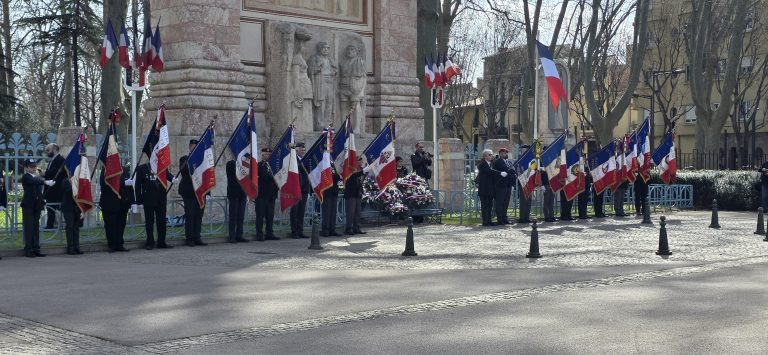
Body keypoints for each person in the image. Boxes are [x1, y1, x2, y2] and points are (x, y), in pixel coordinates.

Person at [135, 162, 175, 250]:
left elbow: (167, 174)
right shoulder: (142, 168)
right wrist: (139, 200)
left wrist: (173, 178)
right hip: (148, 199)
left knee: (162, 221)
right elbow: (138, 185)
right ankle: (150, 242)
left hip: (161, 198)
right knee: (149, 222)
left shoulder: (162, 166)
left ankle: (161, 242)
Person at [21, 159, 54, 257]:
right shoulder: (26, 177)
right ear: (26, 168)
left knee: (35, 227)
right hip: (28, 205)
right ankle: (28, 249)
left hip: (37, 205)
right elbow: (33, 181)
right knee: (29, 227)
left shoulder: (37, 177)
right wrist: (45, 182)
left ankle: (36, 248)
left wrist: (41, 201)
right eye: (31, 167)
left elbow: (39, 191)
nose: (34, 168)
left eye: (34, 166)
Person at [179, 139, 207, 247]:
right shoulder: (185, 159)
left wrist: (207, 193)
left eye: (196, 147)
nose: (195, 148)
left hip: (200, 191)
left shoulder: (202, 160)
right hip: (189, 192)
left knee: (199, 215)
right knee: (190, 215)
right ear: (190, 147)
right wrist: (193, 159)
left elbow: (206, 175)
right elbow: (184, 170)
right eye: (193, 146)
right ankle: (189, 238)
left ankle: (197, 237)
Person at [99, 166, 132, 252]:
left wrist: (131, 200)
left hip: (123, 202)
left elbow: (129, 187)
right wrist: (123, 183)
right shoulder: (105, 170)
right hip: (109, 202)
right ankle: (111, 245)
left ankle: (120, 244)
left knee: (121, 224)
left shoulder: (124, 170)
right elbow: (104, 184)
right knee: (110, 224)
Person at [477, 149, 507, 226]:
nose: (492, 156)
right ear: (485, 156)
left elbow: (492, 171)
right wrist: (500, 173)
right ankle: (485, 222)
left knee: (490, 205)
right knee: (485, 206)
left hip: (490, 189)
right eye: (490, 155)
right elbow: (490, 171)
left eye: (492, 154)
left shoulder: (490, 164)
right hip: (484, 189)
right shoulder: (482, 164)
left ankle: (489, 220)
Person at [256, 148, 279, 241]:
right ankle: (259, 234)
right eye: (266, 154)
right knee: (260, 216)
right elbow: (265, 176)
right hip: (262, 195)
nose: (268, 156)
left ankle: (269, 233)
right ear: (262, 155)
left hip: (271, 195)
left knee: (270, 216)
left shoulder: (274, 166)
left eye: (270, 154)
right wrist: (275, 176)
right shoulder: (259, 165)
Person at [226, 158, 249, 243]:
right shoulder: (230, 164)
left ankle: (239, 235)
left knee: (241, 216)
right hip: (233, 193)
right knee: (233, 216)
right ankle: (232, 236)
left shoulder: (244, 163)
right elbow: (237, 173)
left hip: (243, 193)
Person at [290, 142, 310, 239]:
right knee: (294, 211)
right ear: (296, 150)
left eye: (304, 150)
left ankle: (300, 230)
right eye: (301, 150)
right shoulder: (293, 160)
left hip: (304, 189)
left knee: (301, 211)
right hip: (295, 189)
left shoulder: (306, 160)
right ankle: (294, 231)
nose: (303, 152)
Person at [43, 143, 66, 229]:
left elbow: (57, 172)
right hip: (51, 189)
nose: (47, 152)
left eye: (48, 150)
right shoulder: (52, 160)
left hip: (57, 189)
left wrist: (45, 173)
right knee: (50, 207)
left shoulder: (60, 159)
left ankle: (65, 224)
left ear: (54, 149)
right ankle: (50, 225)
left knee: (56, 207)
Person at [344, 157, 367, 235]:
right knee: (350, 212)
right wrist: (365, 170)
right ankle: (349, 228)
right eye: (359, 161)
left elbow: (361, 178)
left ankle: (357, 228)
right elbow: (355, 175)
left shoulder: (360, 169)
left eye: (361, 161)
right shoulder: (350, 169)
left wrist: (365, 170)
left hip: (358, 193)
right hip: (351, 193)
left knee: (357, 212)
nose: (361, 163)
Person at [60, 177, 83, 255]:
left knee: (76, 228)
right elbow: (68, 191)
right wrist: (73, 182)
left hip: (77, 207)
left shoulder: (79, 181)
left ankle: (77, 246)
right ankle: (70, 247)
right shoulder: (65, 181)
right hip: (68, 208)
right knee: (70, 227)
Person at [492, 148, 515, 224]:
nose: (504, 154)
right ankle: (500, 219)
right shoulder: (498, 161)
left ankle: (505, 218)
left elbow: (512, 171)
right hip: (501, 185)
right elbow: (506, 169)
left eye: (505, 153)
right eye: (503, 153)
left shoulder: (508, 162)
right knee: (500, 203)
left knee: (506, 203)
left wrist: (512, 171)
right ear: (500, 154)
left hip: (508, 184)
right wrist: (511, 170)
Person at [321, 164, 342, 237]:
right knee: (327, 212)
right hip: (327, 192)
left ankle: (332, 229)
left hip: (334, 192)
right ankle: (326, 230)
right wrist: (337, 175)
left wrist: (339, 174)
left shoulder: (333, 164)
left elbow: (336, 177)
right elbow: (328, 177)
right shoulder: (324, 164)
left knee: (333, 212)